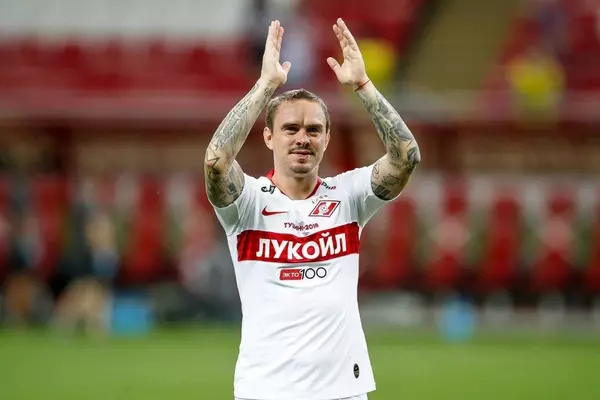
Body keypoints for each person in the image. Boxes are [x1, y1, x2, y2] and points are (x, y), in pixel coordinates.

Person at [204, 19, 421, 400]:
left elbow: (406, 157)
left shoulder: (348, 196)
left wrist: (363, 86)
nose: (302, 138)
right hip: (266, 391)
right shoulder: (248, 202)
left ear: (326, 138)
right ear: (268, 137)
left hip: (343, 391)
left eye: (314, 130)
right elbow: (216, 162)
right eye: (290, 129)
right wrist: (265, 85)